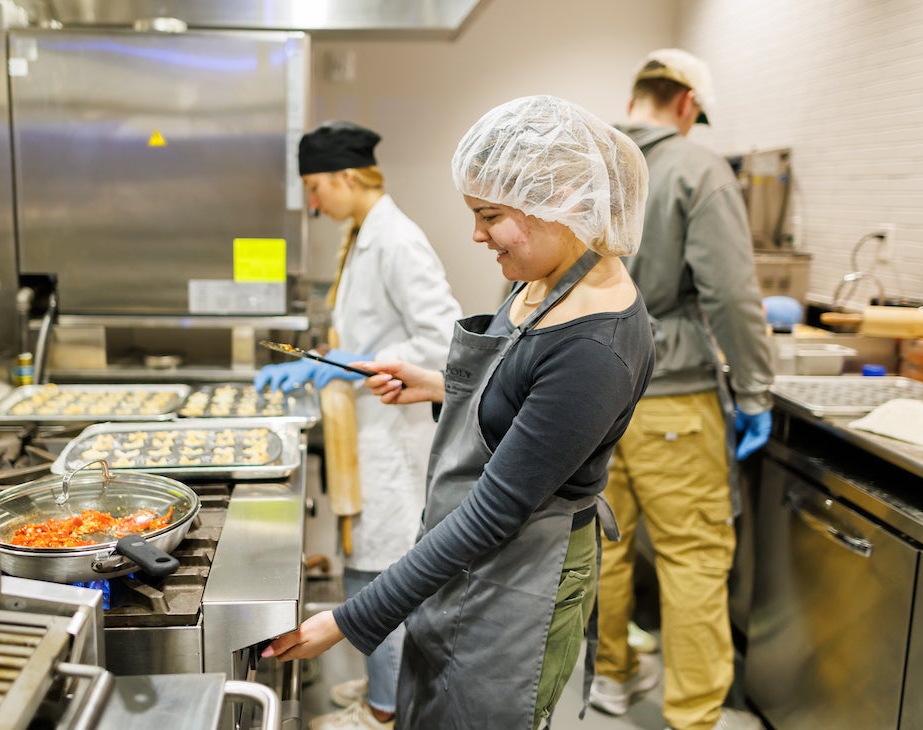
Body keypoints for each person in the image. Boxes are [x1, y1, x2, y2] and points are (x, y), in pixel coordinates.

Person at [262, 95, 655, 730]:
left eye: (490, 215)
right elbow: (524, 399)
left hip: (520, 571)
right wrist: (439, 383)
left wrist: (349, 620)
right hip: (473, 555)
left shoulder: (595, 346)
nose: (476, 235)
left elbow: (496, 511)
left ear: (556, 201)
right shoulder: (546, 280)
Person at [255, 120, 462, 730]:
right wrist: (333, 363)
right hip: (365, 435)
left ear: (349, 175)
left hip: (393, 442)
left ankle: (382, 713)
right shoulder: (363, 233)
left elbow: (443, 339)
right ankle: (381, 685)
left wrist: (344, 366)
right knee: (362, 563)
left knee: (381, 570)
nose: (313, 203)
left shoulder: (396, 239)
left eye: (316, 187)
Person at [590, 49, 774, 730]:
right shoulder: (697, 168)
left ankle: (608, 676)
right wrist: (755, 391)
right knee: (692, 552)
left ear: (640, 93)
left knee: (603, 543)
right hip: (671, 393)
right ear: (688, 104)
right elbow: (731, 292)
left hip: (590, 393)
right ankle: (694, 714)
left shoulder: (589, 165)